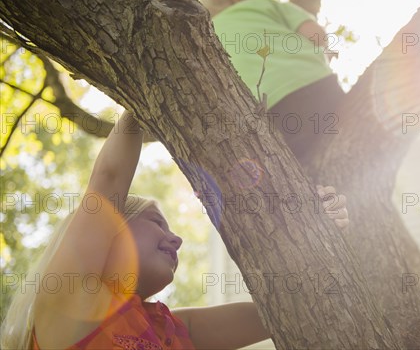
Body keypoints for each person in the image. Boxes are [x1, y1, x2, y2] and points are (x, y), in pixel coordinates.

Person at [0, 110, 349, 349]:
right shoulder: (71, 299)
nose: (177, 239)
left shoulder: (171, 329)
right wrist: (142, 92)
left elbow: (286, 310)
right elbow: (107, 180)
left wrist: (315, 233)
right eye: (155, 222)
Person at [200, 0, 345, 165]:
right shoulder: (263, 4)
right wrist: (325, 53)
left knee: (303, 162)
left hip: (269, 110)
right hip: (315, 84)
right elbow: (316, 35)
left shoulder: (207, 35)